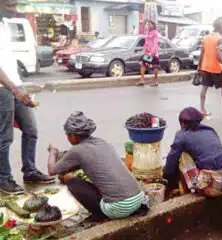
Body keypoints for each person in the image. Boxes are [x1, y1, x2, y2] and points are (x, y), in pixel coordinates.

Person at [47, 111, 148, 222]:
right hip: (139, 198)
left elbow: (52, 171)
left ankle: (99, 214)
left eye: (67, 135)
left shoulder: (77, 150)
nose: (67, 138)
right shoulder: (102, 142)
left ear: (72, 135)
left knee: (73, 182)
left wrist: (53, 152)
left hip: (120, 208)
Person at [0, 17, 55, 194]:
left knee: (31, 130)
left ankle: (30, 171)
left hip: (15, 85)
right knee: (4, 137)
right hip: (3, 90)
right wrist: (15, 90)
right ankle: (3, 179)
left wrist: (18, 87)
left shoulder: (5, 22)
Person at [163, 107, 222, 198]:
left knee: (183, 155)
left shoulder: (181, 135)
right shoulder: (209, 129)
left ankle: (189, 192)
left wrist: (166, 179)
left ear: (182, 123)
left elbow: (171, 161)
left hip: (215, 188)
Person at [198, 17, 222, 116]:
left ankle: (202, 109)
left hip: (205, 67)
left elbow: (202, 53)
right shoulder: (219, 39)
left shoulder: (205, 38)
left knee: (204, 88)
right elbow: (218, 56)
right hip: (217, 68)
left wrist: (199, 66)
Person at [137, 20, 159, 87]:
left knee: (155, 66)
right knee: (143, 64)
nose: (148, 25)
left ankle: (156, 81)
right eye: (148, 24)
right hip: (147, 52)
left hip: (153, 53)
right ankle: (142, 80)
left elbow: (155, 44)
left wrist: (151, 53)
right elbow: (141, 32)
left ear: (153, 25)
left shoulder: (155, 33)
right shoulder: (147, 32)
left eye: (150, 24)